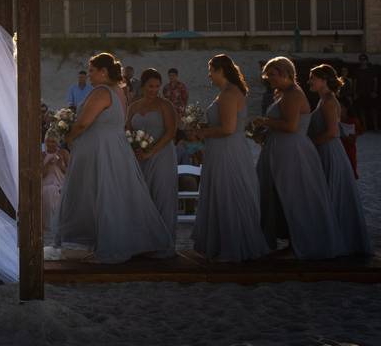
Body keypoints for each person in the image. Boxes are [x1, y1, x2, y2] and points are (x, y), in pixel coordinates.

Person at [57, 53, 173, 262]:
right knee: (115, 195)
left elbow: (84, 123)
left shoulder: (101, 92)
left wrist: (68, 137)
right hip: (115, 148)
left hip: (99, 149)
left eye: (92, 71)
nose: (89, 75)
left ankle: (107, 245)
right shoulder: (119, 91)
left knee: (100, 195)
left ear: (103, 72)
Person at [254, 57, 339, 259]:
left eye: (272, 75)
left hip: (292, 151)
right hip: (281, 148)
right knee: (280, 195)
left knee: (294, 196)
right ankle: (291, 243)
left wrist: (264, 121)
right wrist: (265, 133)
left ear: (284, 73)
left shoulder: (293, 94)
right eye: (267, 75)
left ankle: (299, 244)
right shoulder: (285, 94)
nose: (269, 79)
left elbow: (291, 127)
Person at [191, 55, 268, 262]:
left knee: (228, 193)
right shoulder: (229, 91)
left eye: (211, 70)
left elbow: (227, 129)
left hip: (227, 150)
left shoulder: (228, 94)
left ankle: (231, 246)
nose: (209, 74)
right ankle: (222, 243)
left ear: (220, 70)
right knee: (224, 192)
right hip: (226, 148)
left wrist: (202, 133)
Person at [307, 65, 372, 256]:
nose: (309, 81)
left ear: (324, 80)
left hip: (329, 151)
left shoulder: (328, 101)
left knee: (331, 193)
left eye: (313, 78)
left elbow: (332, 133)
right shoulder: (324, 99)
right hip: (326, 151)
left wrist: (307, 143)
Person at [126, 68, 178, 256]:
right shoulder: (133, 107)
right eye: (150, 86)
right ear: (143, 86)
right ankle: (145, 243)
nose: (154, 90)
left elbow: (171, 132)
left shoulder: (165, 105)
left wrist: (151, 152)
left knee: (162, 195)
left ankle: (164, 244)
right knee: (142, 197)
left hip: (162, 154)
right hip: (140, 157)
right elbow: (127, 131)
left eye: (157, 86)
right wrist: (136, 148)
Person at [42, 131, 69, 238]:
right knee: (48, 190)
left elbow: (71, 172)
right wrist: (47, 165)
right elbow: (40, 175)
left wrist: (61, 165)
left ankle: (59, 223)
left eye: (53, 142)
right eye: (48, 141)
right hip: (46, 182)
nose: (50, 144)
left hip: (61, 182)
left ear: (57, 142)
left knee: (56, 190)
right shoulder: (42, 154)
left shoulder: (63, 153)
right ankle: (49, 223)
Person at [339, 97, 363, 178]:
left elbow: (359, 131)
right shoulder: (335, 119)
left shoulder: (353, 120)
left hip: (349, 149)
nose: (339, 109)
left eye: (341, 106)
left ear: (346, 108)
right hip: (339, 148)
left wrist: (353, 135)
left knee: (351, 168)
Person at [353, 54, 378, 131]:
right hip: (361, 93)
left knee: (373, 110)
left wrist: (374, 91)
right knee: (362, 110)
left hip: (370, 93)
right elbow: (355, 82)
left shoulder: (371, 70)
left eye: (364, 59)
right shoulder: (357, 70)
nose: (363, 61)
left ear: (367, 60)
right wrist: (355, 93)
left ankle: (376, 127)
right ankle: (365, 127)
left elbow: (375, 81)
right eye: (361, 59)